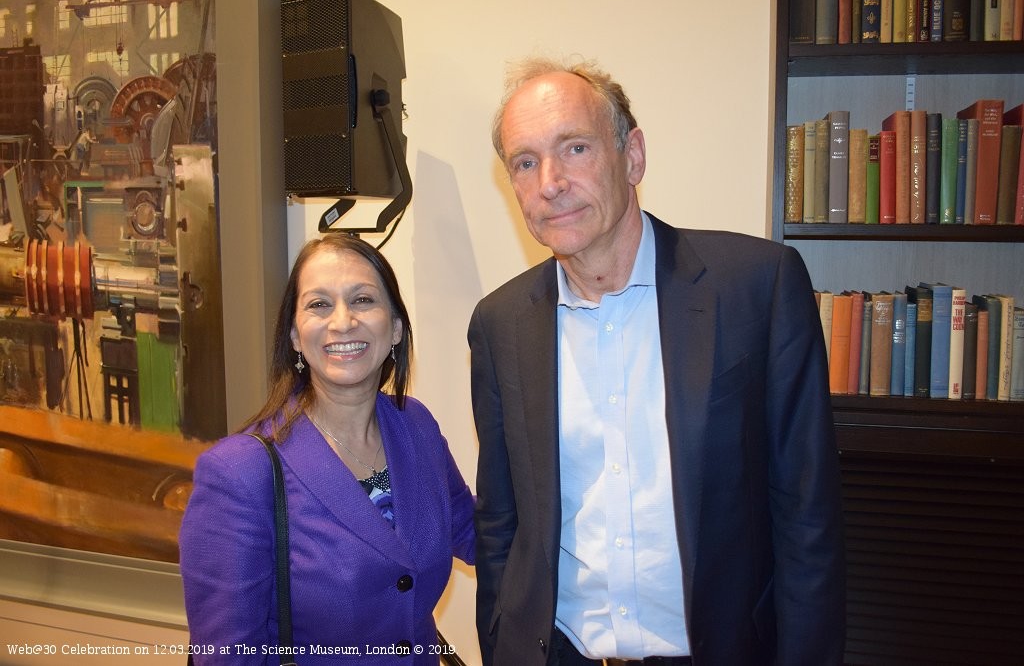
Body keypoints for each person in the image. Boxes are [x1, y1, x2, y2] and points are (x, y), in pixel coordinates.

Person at [469, 57, 845, 666]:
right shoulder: (498, 324)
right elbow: (501, 524)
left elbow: (807, 516)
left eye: (575, 148)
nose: (551, 182)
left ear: (633, 156)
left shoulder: (758, 287)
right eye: (526, 162)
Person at [180, 234, 475, 665]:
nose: (343, 322)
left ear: (395, 327)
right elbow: (228, 656)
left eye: (362, 300)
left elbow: (474, 533)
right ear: (296, 337)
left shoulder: (415, 425)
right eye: (319, 304)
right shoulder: (239, 473)